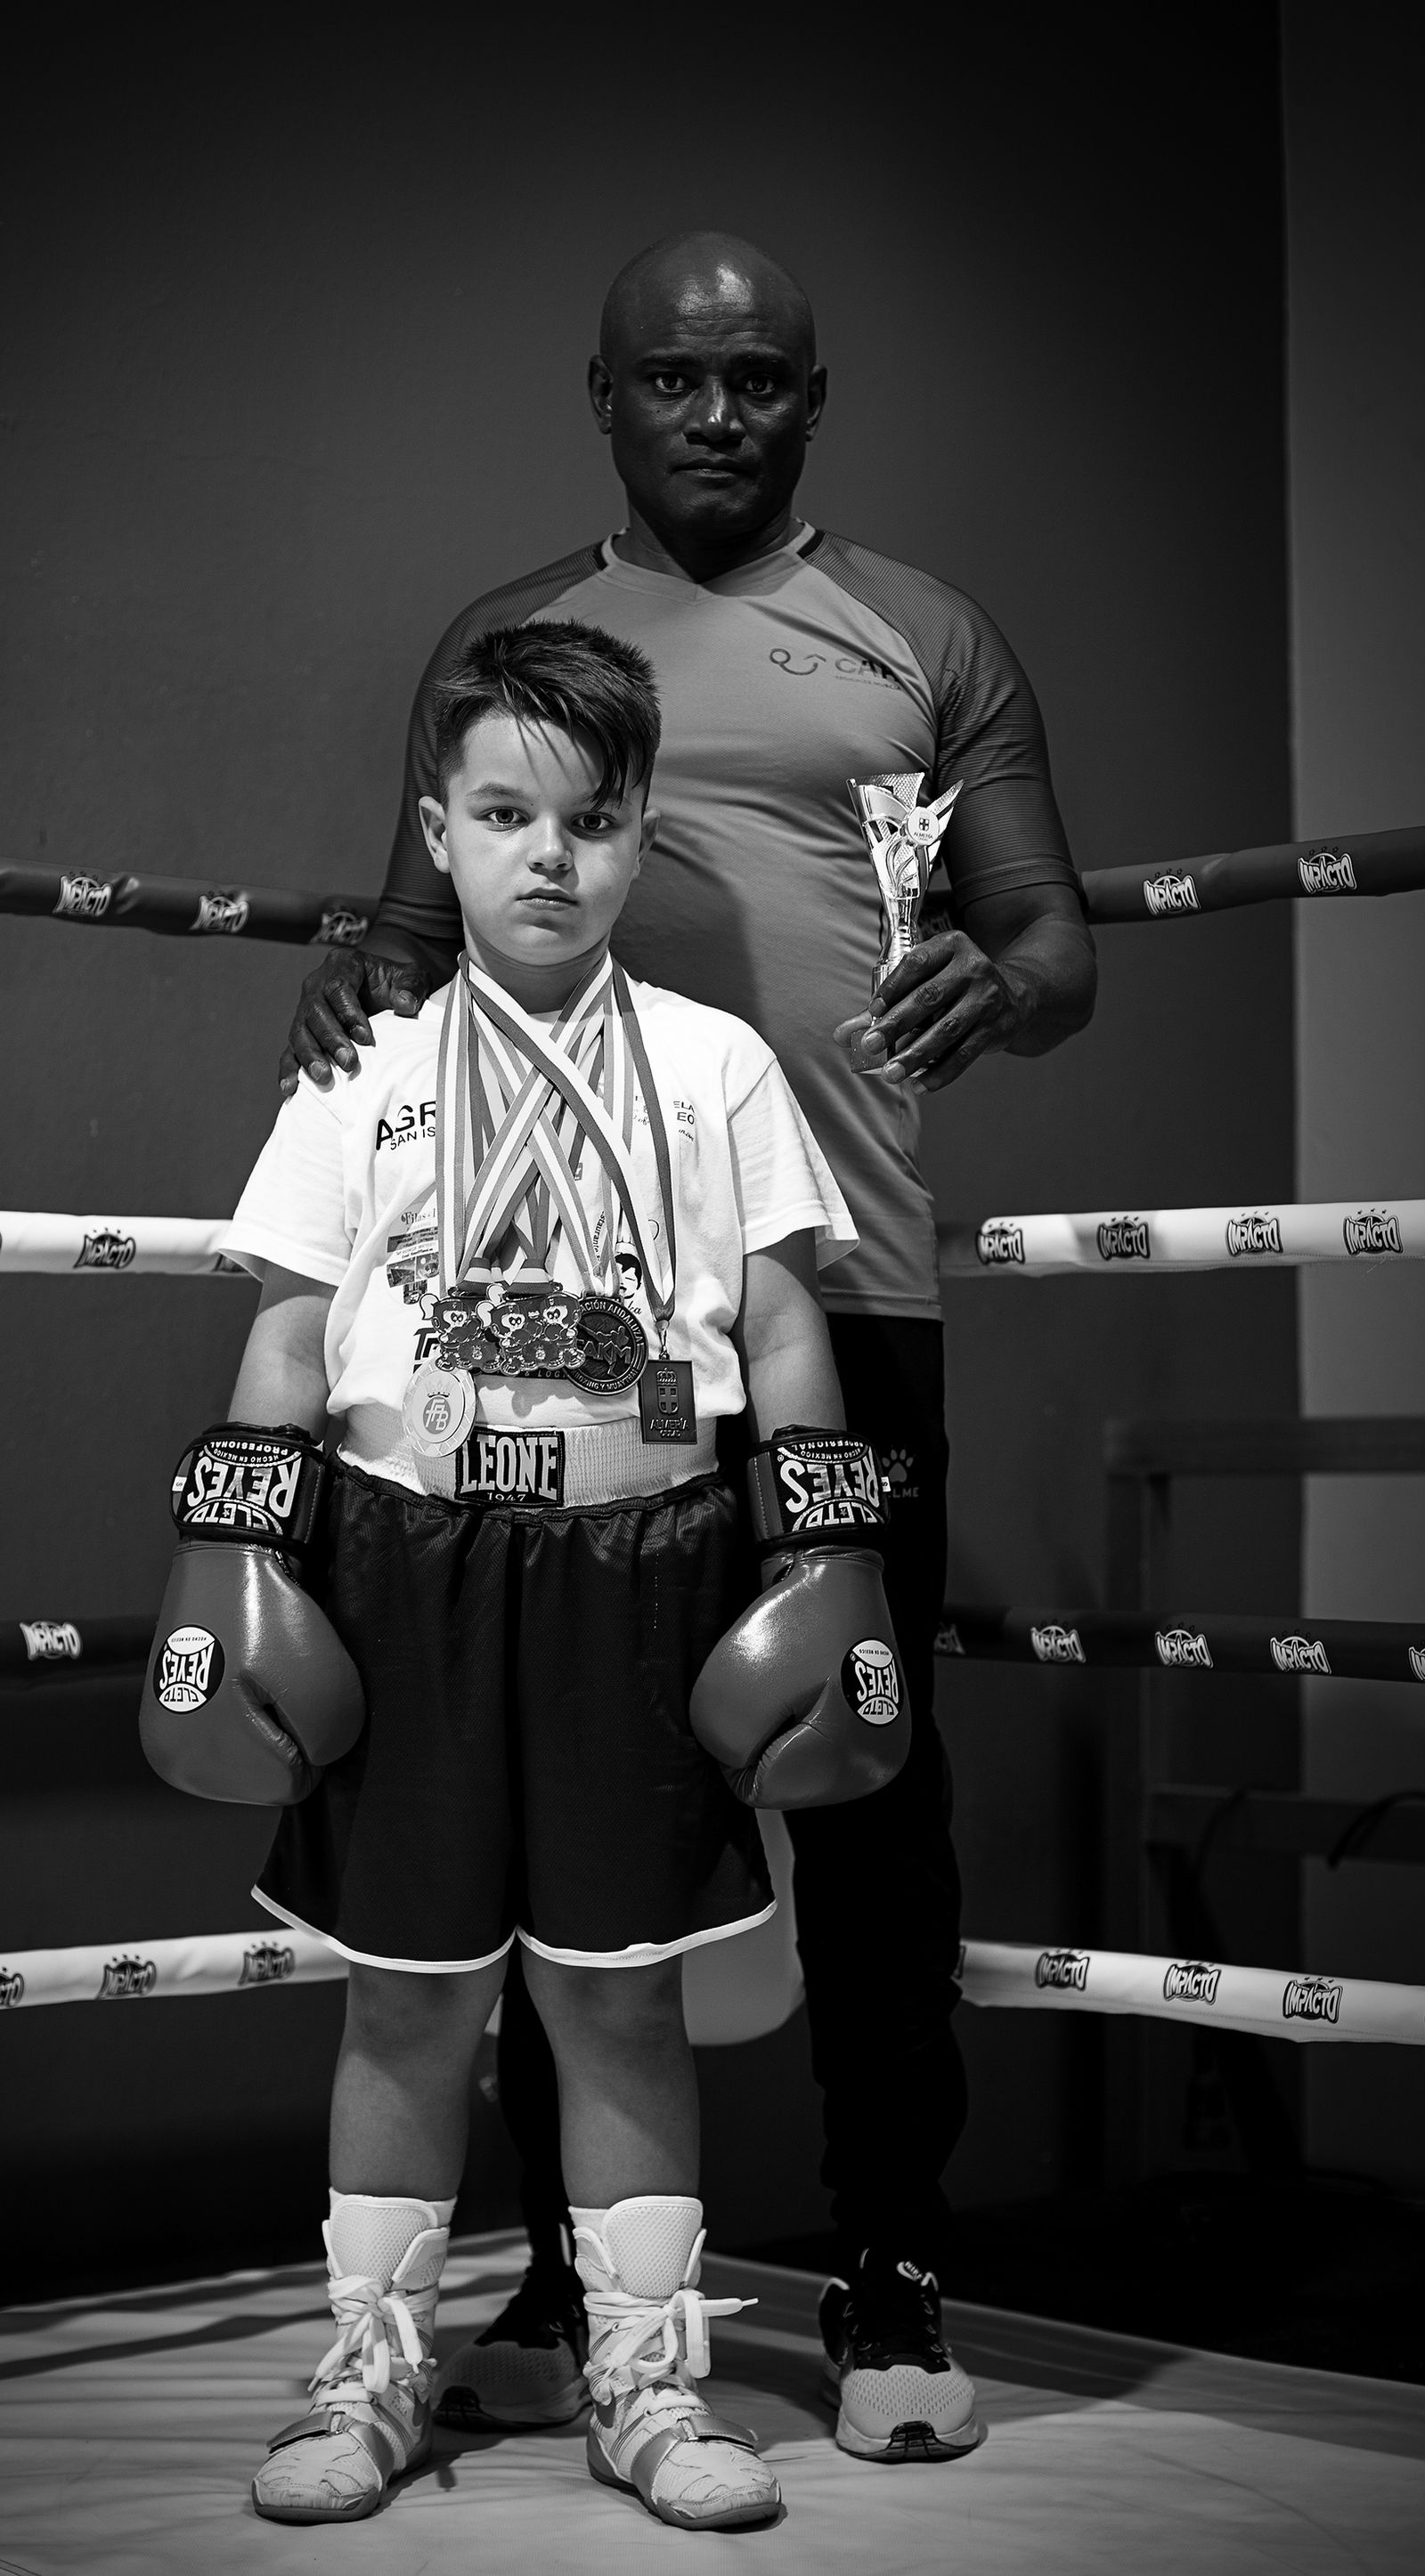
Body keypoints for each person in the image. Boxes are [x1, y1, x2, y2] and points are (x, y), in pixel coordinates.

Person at [281, 230, 1097, 2465]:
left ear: (810, 397)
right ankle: (568, 2269)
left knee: (861, 1775)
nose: (717, 412)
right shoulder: (515, 645)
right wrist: (350, 993)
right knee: (567, 1797)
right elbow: (402, 914)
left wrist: (1006, 985)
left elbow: (1047, 933)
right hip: (567, 1346)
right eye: (675, 377)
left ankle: (888, 2270)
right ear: (605, 396)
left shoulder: (921, 632)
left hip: (839, 1299)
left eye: (757, 379)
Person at [149, 619, 917, 2529]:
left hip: (642, 1560)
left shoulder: (717, 1063)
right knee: (405, 2002)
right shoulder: (370, 1065)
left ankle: (643, 2378)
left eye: (586, 817)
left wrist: (829, 1551)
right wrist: (221, 1553)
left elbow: (780, 1319)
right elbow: (283, 1332)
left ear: (640, 829)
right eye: (503, 813)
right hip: (406, 1565)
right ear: (440, 827)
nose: (545, 855)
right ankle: (369, 2368)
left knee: (622, 1999)